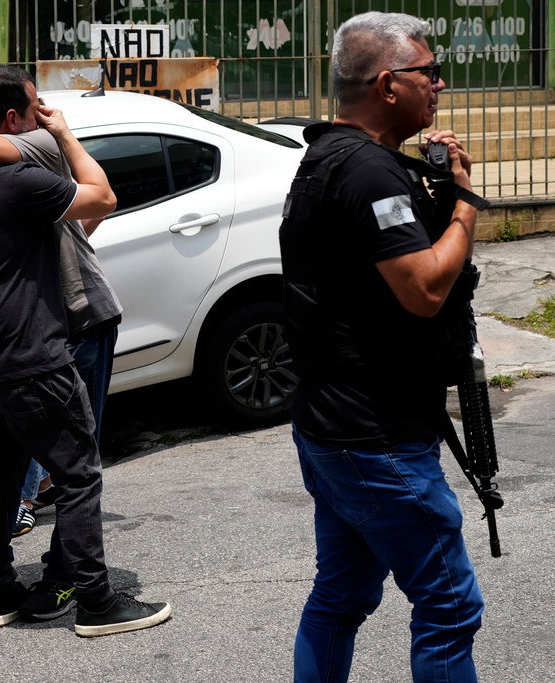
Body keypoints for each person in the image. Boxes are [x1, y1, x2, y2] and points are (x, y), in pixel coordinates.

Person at [0, 65, 171, 636]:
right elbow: (103, 195)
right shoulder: (21, 170)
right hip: (35, 355)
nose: (43, 116)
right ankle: (94, 601)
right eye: (35, 108)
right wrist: (65, 133)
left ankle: (0, 591)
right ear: (9, 120)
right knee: (77, 475)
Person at [278, 12, 487, 682]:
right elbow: (424, 287)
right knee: (450, 606)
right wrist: (464, 203)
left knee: (340, 598)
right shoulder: (367, 172)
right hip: (377, 436)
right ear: (390, 83)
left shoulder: (325, 157)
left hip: (333, 423)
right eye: (430, 72)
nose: (441, 83)